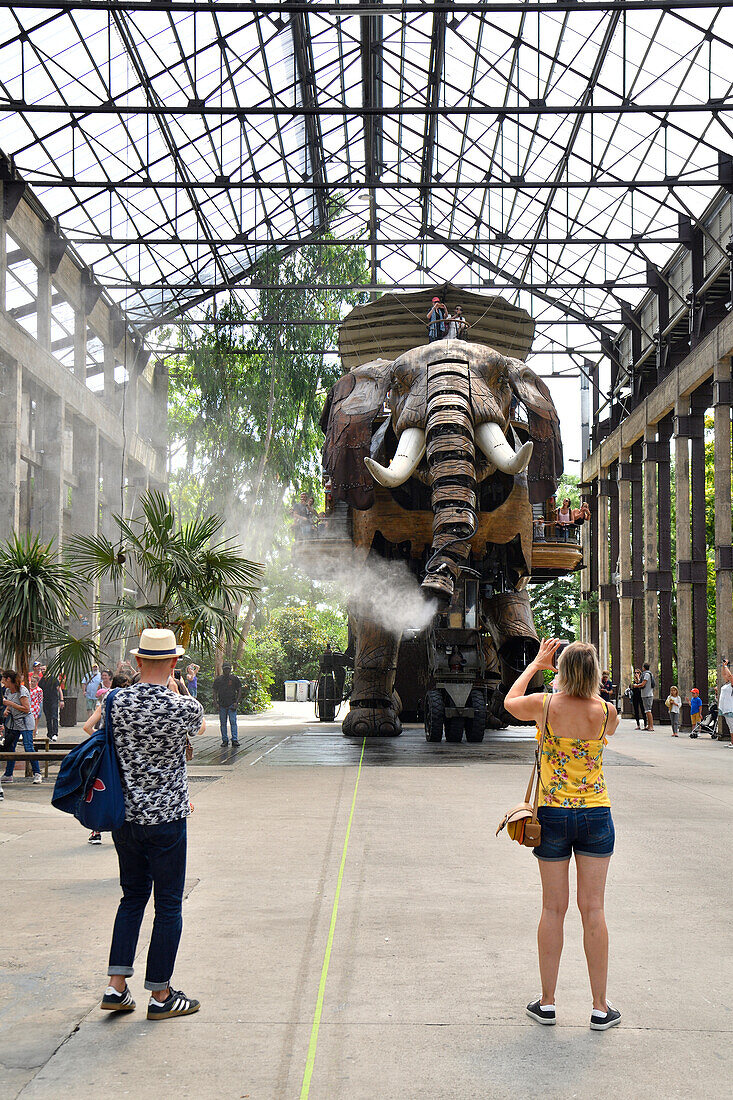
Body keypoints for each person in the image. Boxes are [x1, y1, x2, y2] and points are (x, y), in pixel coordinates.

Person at [504, 639, 621, 1032]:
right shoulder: (608, 712)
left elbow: (509, 701)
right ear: (595, 673)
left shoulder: (545, 706)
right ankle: (600, 1007)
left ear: (562, 671)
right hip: (596, 816)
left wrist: (538, 664)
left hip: (552, 816)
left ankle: (548, 1003)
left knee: (553, 908)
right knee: (595, 909)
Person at [100, 628, 205, 1020]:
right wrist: (177, 690)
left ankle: (116, 986)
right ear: (174, 663)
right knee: (168, 905)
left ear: (138, 661)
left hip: (123, 818)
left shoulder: (115, 700)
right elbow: (199, 729)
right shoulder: (184, 707)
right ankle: (160, 995)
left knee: (131, 898)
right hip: (167, 819)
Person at [83, 667, 136, 846]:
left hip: (107, 754)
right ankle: (123, 829)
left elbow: (87, 727)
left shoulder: (107, 700)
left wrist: (101, 740)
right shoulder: (131, 702)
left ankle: (96, 831)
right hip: (126, 755)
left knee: (103, 790)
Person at [2, 670, 42, 784]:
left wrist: (10, 704)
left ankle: (37, 773)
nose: (3, 682)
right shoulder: (8, 691)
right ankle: (8, 774)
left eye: (4, 680)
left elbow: (26, 708)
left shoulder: (22, 690)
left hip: (25, 722)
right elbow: (9, 704)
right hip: (14, 723)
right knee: (11, 748)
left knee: (28, 747)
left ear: (8, 679)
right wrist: (7, 710)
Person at [212, 663, 242, 747]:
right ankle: (224, 740)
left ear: (230, 669)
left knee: (233, 722)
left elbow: (239, 690)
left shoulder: (234, 679)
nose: (227, 671)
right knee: (223, 723)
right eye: (225, 669)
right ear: (222, 669)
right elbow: (214, 690)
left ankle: (234, 739)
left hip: (232, 704)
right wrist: (215, 702)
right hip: (222, 704)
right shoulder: (219, 679)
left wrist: (237, 702)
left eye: (228, 669)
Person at [38, 665, 64, 742]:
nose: (43, 670)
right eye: (41, 669)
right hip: (45, 701)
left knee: (54, 716)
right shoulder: (41, 681)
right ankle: (49, 734)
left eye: (44, 669)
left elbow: (59, 690)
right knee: (48, 718)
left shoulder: (53, 679)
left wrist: (61, 700)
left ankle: (55, 733)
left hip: (54, 700)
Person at [719, 660, 733, 744]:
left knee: (732, 726)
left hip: (730, 708)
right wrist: (723, 666)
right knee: (730, 726)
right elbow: (724, 674)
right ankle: (732, 742)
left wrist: (725, 666)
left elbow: (730, 676)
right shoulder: (727, 684)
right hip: (725, 708)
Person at [641, 662, 655, 731]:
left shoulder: (646, 674)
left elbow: (643, 684)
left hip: (647, 694)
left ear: (644, 667)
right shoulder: (648, 674)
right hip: (645, 694)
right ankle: (648, 725)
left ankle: (651, 726)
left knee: (648, 711)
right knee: (647, 711)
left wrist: (636, 685)